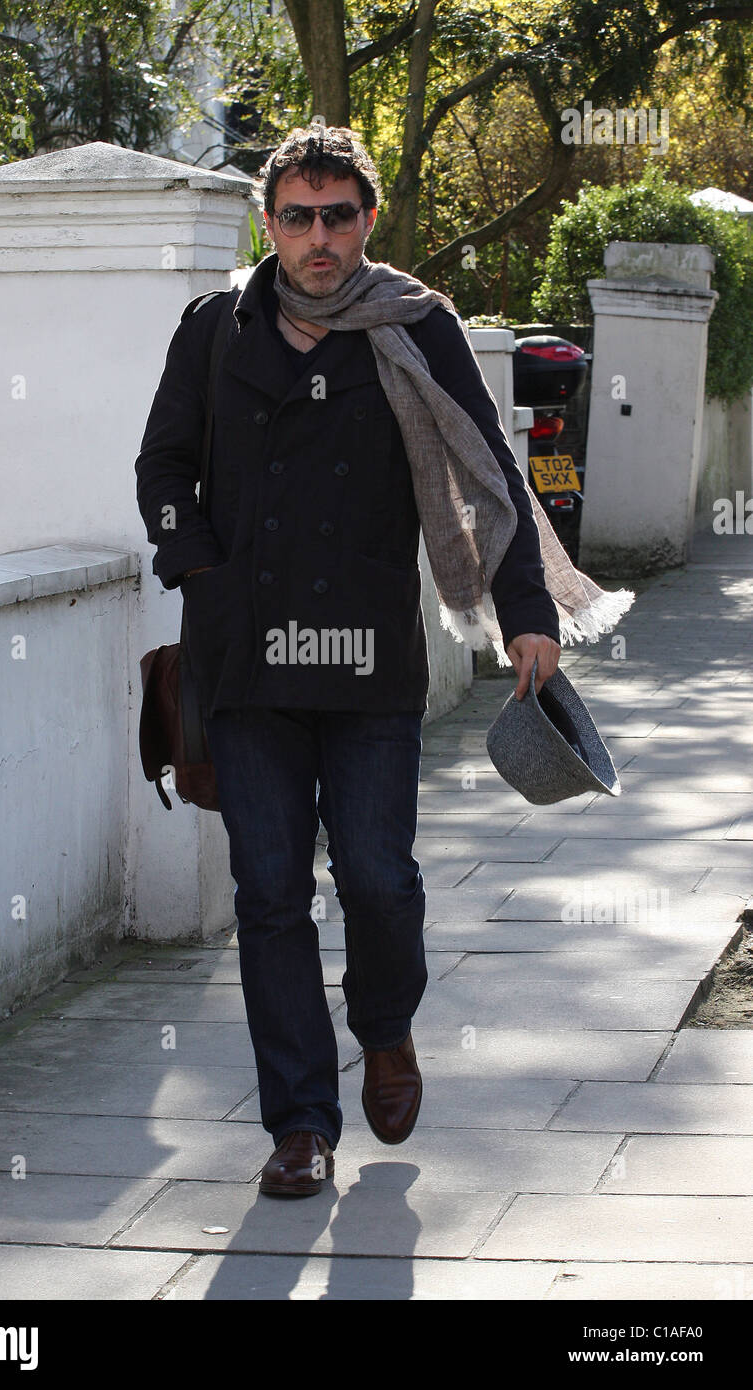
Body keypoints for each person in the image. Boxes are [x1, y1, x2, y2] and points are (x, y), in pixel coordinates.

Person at [135, 125, 561, 1198]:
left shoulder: (415, 326)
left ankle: (382, 1027)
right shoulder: (213, 329)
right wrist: (200, 570)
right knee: (270, 892)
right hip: (247, 660)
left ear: (366, 219)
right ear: (267, 223)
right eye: (297, 216)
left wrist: (524, 615)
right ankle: (298, 1125)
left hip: (370, 656)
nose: (318, 238)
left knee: (376, 878)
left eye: (337, 215)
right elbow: (164, 463)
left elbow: (487, 475)